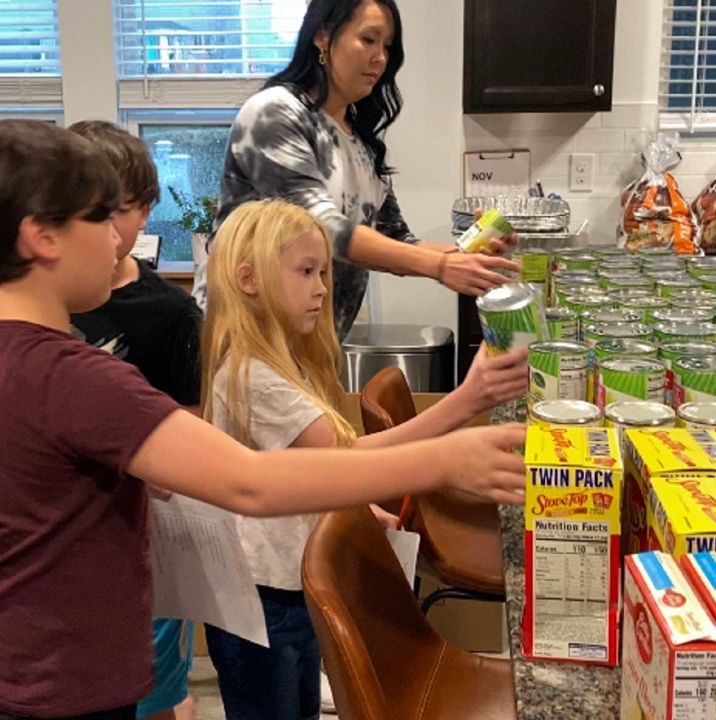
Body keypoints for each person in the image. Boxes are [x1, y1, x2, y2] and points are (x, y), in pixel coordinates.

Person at [0, 118, 525, 720]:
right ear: (42, 237)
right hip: (54, 693)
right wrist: (448, 456)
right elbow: (253, 483)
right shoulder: (83, 380)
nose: (118, 241)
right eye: (101, 217)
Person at [200, 199, 529, 720]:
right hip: (261, 596)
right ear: (248, 279)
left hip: (287, 582)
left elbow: (307, 478)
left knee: (299, 703)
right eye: (307, 272)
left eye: (324, 272)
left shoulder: (284, 362)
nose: (322, 288)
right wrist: (464, 403)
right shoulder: (252, 376)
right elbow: (346, 461)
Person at [194, 0, 518, 337]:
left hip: (313, 342)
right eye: (368, 39)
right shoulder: (275, 113)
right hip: (245, 335)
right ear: (322, 36)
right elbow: (321, 230)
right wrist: (441, 266)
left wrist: (470, 254)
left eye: (387, 46)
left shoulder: (359, 137)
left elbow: (396, 238)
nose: (380, 57)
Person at [66, 120, 199, 720]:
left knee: (152, 694)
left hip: (144, 548)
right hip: (66, 562)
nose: (138, 222)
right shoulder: (39, 315)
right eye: (122, 208)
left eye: (142, 207)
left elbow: (191, 447)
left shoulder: (169, 314)